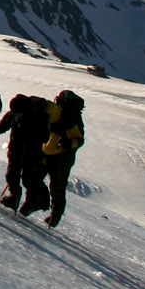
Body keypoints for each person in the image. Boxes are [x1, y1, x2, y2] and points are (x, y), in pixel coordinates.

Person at [0, 94, 51, 215]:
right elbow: (2, 126)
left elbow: (45, 137)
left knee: (28, 179)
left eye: (18, 113)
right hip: (15, 149)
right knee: (11, 175)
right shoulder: (13, 114)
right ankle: (14, 196)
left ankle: (35, 201)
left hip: (32, 153)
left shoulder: (39, 117)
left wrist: (33, 140)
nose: (16, 115)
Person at [39, 89, 85, 227]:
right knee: (56, 186)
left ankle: (50, 212)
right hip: (60, 155)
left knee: (51, 184)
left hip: (58, 155)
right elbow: (79, 140)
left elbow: (79, 140)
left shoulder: (67, 117)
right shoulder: (73, 117)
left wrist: (67, 144)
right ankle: (54, 214)